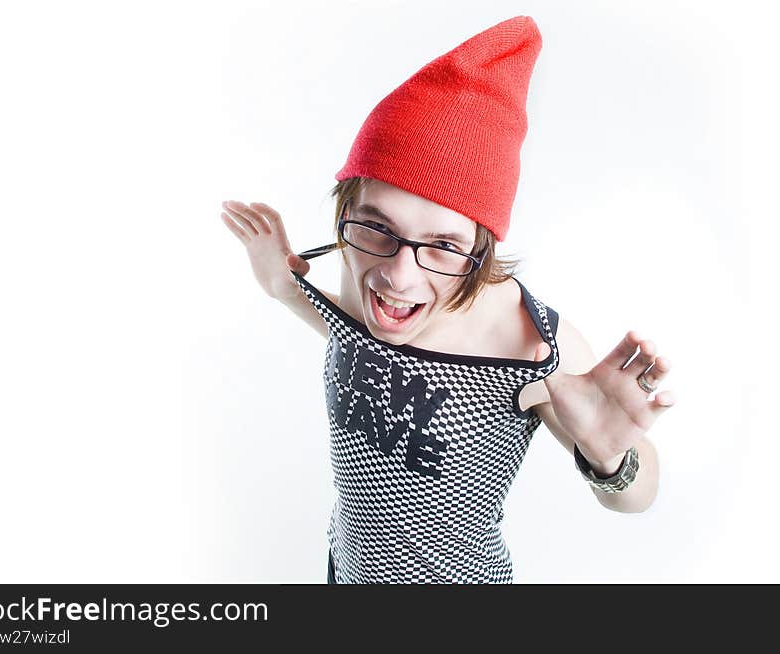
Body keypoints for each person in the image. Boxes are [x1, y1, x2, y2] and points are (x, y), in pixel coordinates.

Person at [220, 16, 675, 583]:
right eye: (376, 227)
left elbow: (636, 498)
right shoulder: (359, 273)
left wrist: (611, 460)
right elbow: (362, 346)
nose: (399, 279)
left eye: (442, 245)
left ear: (482, 246)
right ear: (346, 214)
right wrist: (284, 289)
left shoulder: (528, 341)